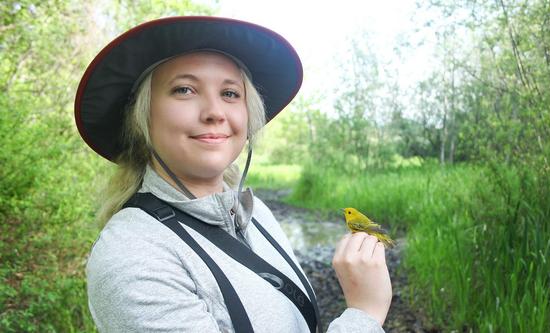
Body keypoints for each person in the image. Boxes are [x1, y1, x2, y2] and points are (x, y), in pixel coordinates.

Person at [76, 16, 392, 333]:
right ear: (141, 116)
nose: (215, 112)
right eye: (184, 89)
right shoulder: (134, 258)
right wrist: (364, 313)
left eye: (230, 94)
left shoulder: (256, 213)